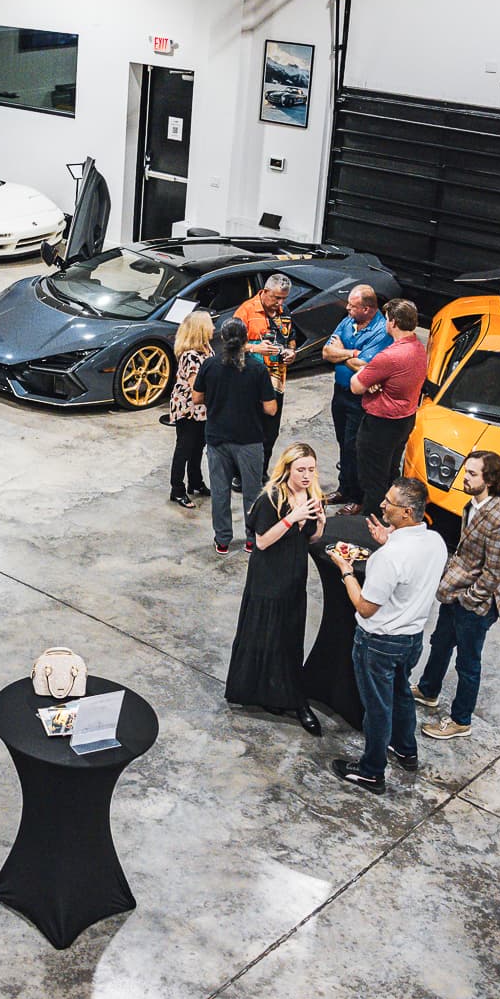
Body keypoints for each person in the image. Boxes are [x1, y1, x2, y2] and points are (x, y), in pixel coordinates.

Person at [329, 477, 449, 792]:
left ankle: (371, 771)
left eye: (389, 503)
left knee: (377, 708)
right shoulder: (436, 542)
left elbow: (365, 607)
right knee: (400, 694)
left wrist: (345, 569)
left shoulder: (388, 559)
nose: (382, 505)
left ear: (407, 512)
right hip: (412, 639)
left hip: (378, 643)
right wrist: (388, 541)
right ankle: (405, 749)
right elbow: (411, 573)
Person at [224, 442, 327, 735]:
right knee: (265, 633)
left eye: (311, 469)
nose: (307, 475)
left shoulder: (311, 496)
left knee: (289, 634)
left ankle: (283, 692)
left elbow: (310, 540)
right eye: (301, 470)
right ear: (288, 469)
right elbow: (262, 542)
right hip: (269, 576)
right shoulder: (272, 498)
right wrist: (291, 518)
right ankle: (261, 692)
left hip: (294, 575)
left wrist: (319, 523)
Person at [415, 451, 500, 740]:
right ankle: (428, 690)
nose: (465, 478)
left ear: (491, 479)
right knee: (440, 643)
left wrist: (469, 599)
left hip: (473, 606)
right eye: (466, 472)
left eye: (472, 474)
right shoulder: (471, 505)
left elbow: (495, 573)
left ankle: (461, 720)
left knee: (468, 665)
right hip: (455, 594)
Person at [191, 317, 277, 554]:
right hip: (249, 439)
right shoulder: (257, 368)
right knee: (252, 492)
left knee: (220, 492)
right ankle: (251, 539)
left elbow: (197, 398)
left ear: (221, 338)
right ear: (246, 339)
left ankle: (222, 540)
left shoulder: (210, 365)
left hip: (217, 438)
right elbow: (271, 408)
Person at [350, 297, 428, 517]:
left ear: (393, 322)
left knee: (372, 479)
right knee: (390, 472)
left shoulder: (389, 357)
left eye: (386, 319)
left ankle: (371, 524)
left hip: (380, 425)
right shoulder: (418, 347)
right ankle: (390, 517)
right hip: (404, 421)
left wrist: (365, 374)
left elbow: (356, 386)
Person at [320, 285, 389, 509]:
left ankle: (357, 497)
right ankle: (344, 488)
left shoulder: (381, 331)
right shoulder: (348, 321)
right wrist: (352, 353)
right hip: (339, 393)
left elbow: (366, 367)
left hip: (360, 399)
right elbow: (326, 352)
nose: (348, 308)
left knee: (355, 447)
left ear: (368, 309)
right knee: (342, 443)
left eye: (353, 306)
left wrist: (340, 355)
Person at [233, 274, 298, 467]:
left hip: (276, 383)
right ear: (265, 291)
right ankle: (240, 473)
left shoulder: (284, 312)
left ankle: (261, 470)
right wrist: (254, 348)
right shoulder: (246, 311)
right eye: (276, 298)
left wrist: (291, 352)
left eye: (284, 298)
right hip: (249, 383)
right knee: (248, 430)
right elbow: (231, 345)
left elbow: (291, 338)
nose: (280, 303)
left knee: (270, 431)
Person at [164, 309, 214, 507]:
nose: (213, 327)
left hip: (203, 408)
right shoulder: (191, 356)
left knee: (199, 446)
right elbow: (196, 389)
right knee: (184, 447)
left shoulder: (207, 348)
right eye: (210, 324)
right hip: (189, 408)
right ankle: (177, 489)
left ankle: (196, 482)